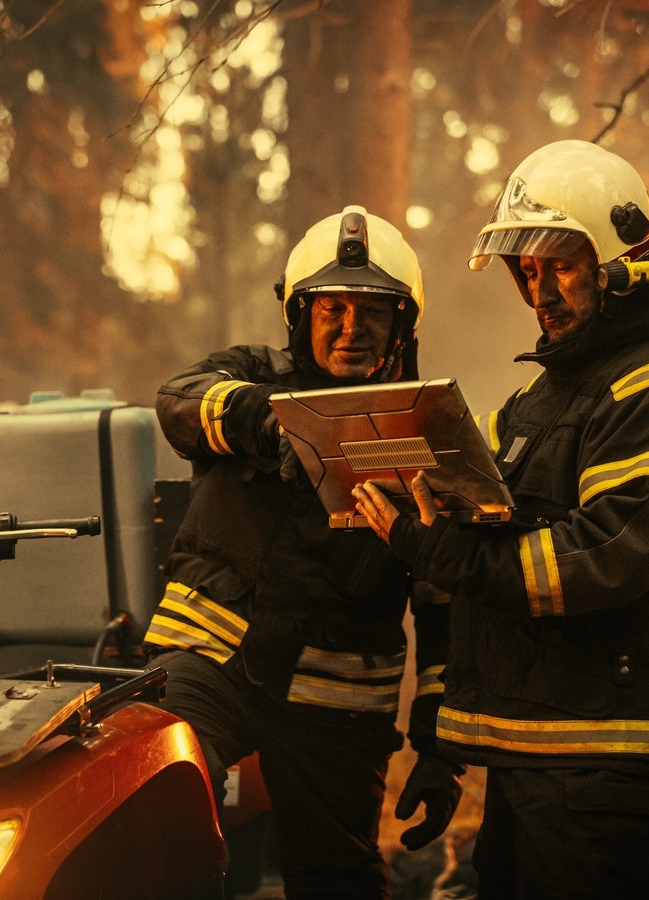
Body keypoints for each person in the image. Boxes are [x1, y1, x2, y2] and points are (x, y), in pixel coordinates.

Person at [353, 140, 649, 899]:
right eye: (527, 271)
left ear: (619, 259)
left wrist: (433, 548)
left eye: (560, 264)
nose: (541, 291)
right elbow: (471, 494)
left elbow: (595, 561)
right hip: (533, 751)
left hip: (612, 762)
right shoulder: (548, 400)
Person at [143, 205, 461, 897]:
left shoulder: (425, 431)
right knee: (150, 795)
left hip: (338, 700)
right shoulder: (251, 376)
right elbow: (177, 403)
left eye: (372, 313)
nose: (350, 329)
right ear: (298, 315)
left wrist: (439, 744)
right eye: (332, 310)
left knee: (339, 880)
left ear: (402, 326)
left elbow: (446, 600)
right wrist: (267, 420)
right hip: (215, 661)